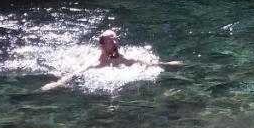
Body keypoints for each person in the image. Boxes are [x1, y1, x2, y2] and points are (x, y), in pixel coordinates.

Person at [40, 29, 183, 91]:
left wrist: (166, 63)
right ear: (102, 46)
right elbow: (76, 74)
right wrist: (58, 84)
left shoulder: (123, 59)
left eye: (116, 40)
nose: (115, 43)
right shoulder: (95, 64)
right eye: (111, 41)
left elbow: (145, 62)